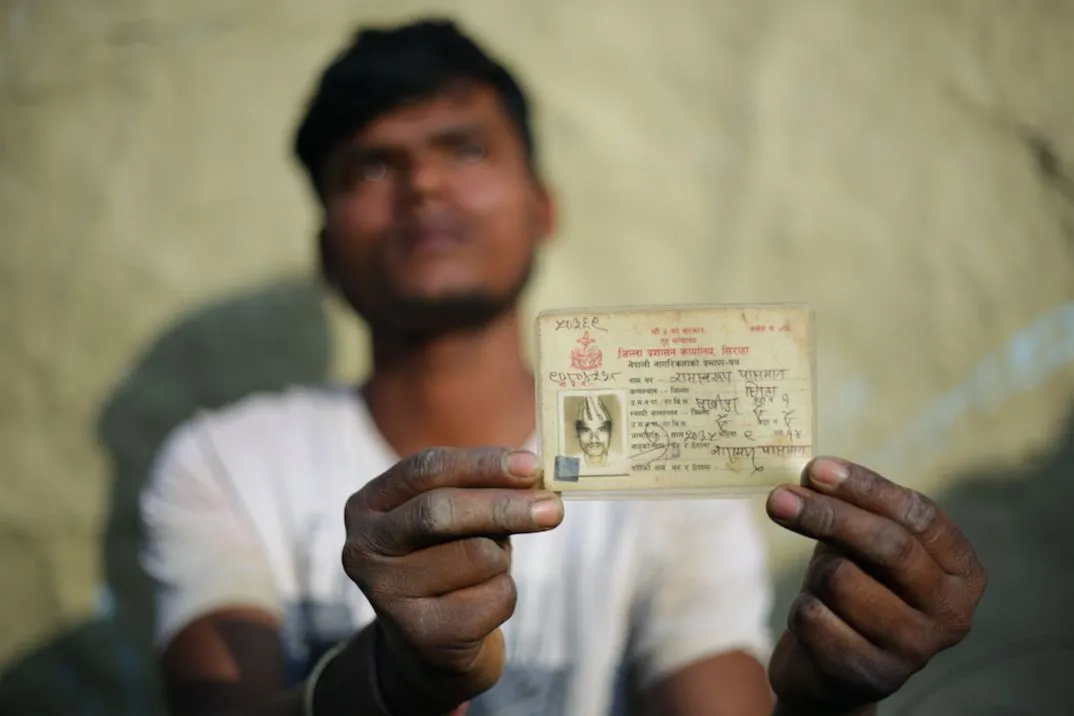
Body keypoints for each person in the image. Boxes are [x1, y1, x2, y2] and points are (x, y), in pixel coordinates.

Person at [139, 17, 986, 716]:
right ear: (326, 251)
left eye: (464, 149)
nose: (425, 186)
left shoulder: (668, 484)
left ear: (544, 210)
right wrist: (396, 679)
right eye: (371, 165)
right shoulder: (225, 463)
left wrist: (830, 702)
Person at [575, 395, 613, 468]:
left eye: (602, 430)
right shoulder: (569, 466)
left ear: (610, 433)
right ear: (578, 434)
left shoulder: (622, 463)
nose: (594, 439)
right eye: (586, 431)